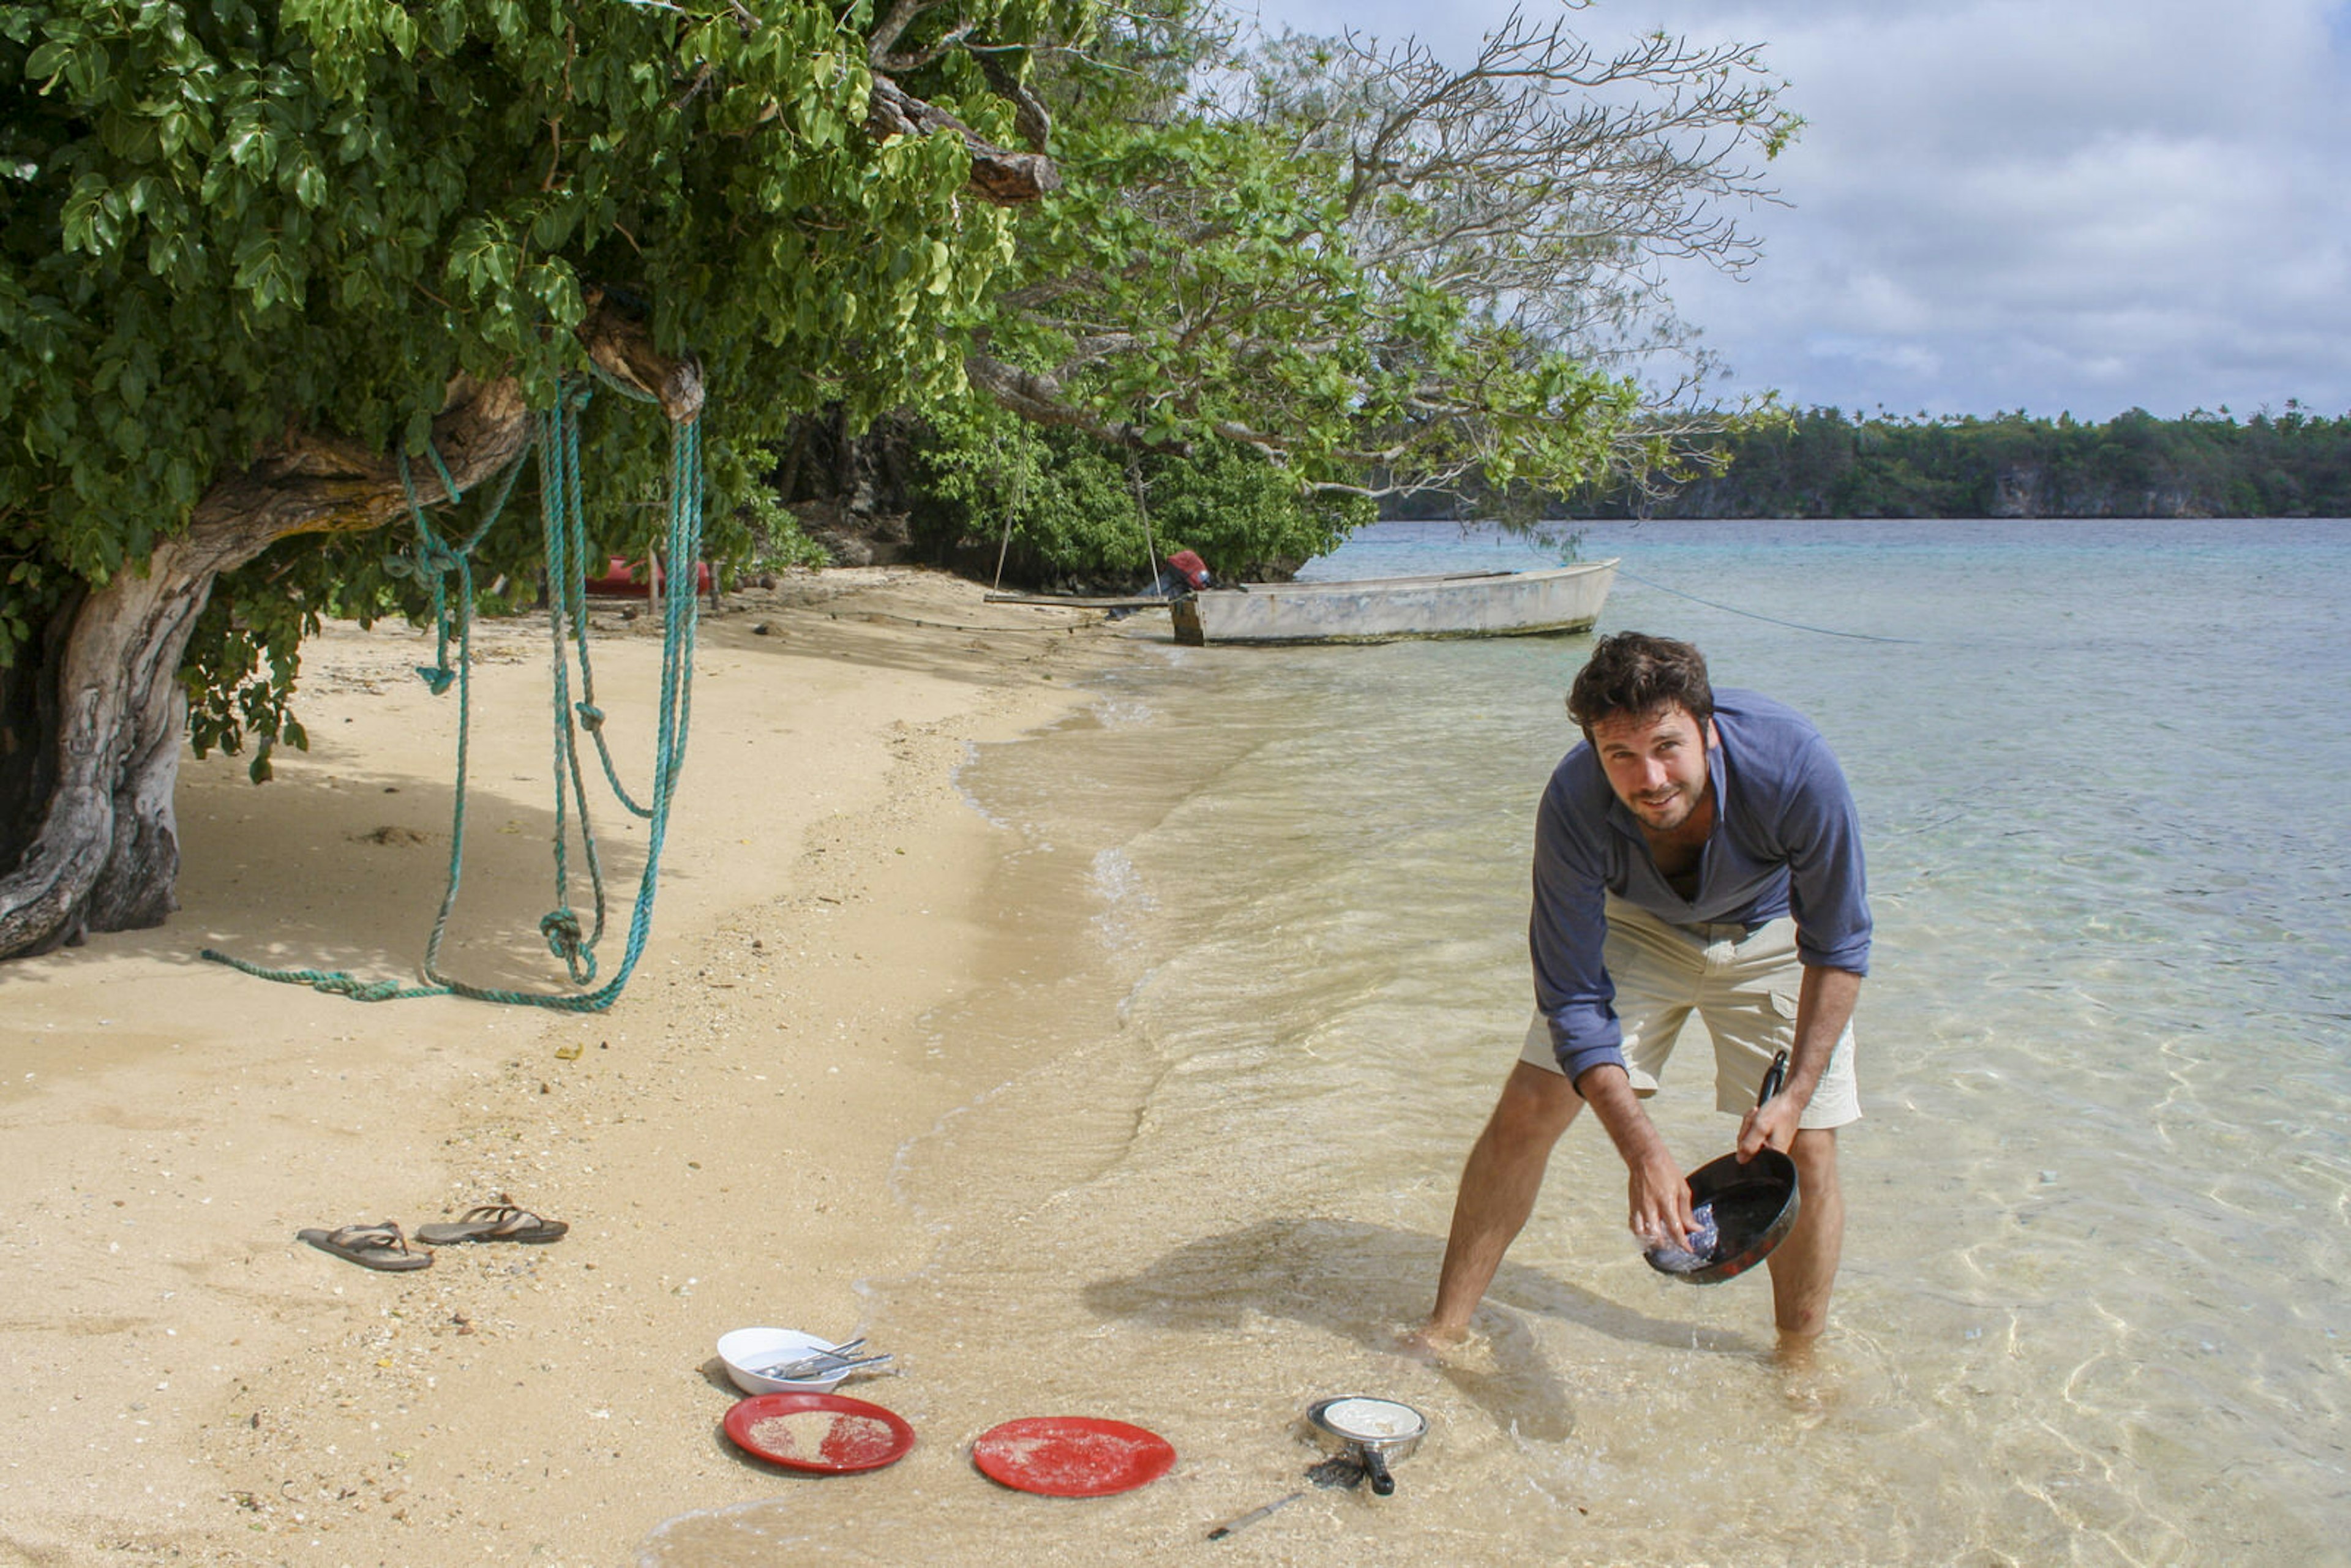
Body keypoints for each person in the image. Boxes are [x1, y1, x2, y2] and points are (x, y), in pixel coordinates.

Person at [1422, 631, 1870, 1352]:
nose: (1650, 777)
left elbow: (1840, 943)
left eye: (1667, 746)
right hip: (1639, 920)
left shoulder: (1796, 765)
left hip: (1770, 926)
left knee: (1810, 1146)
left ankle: (1798, 1358)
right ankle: (1443, 1329)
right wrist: (1643, 1153)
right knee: (1531, 1103)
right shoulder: (1573, 800)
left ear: (1709, 731)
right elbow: (1571, 1000)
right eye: (1621, 756)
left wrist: (1794, 1094)